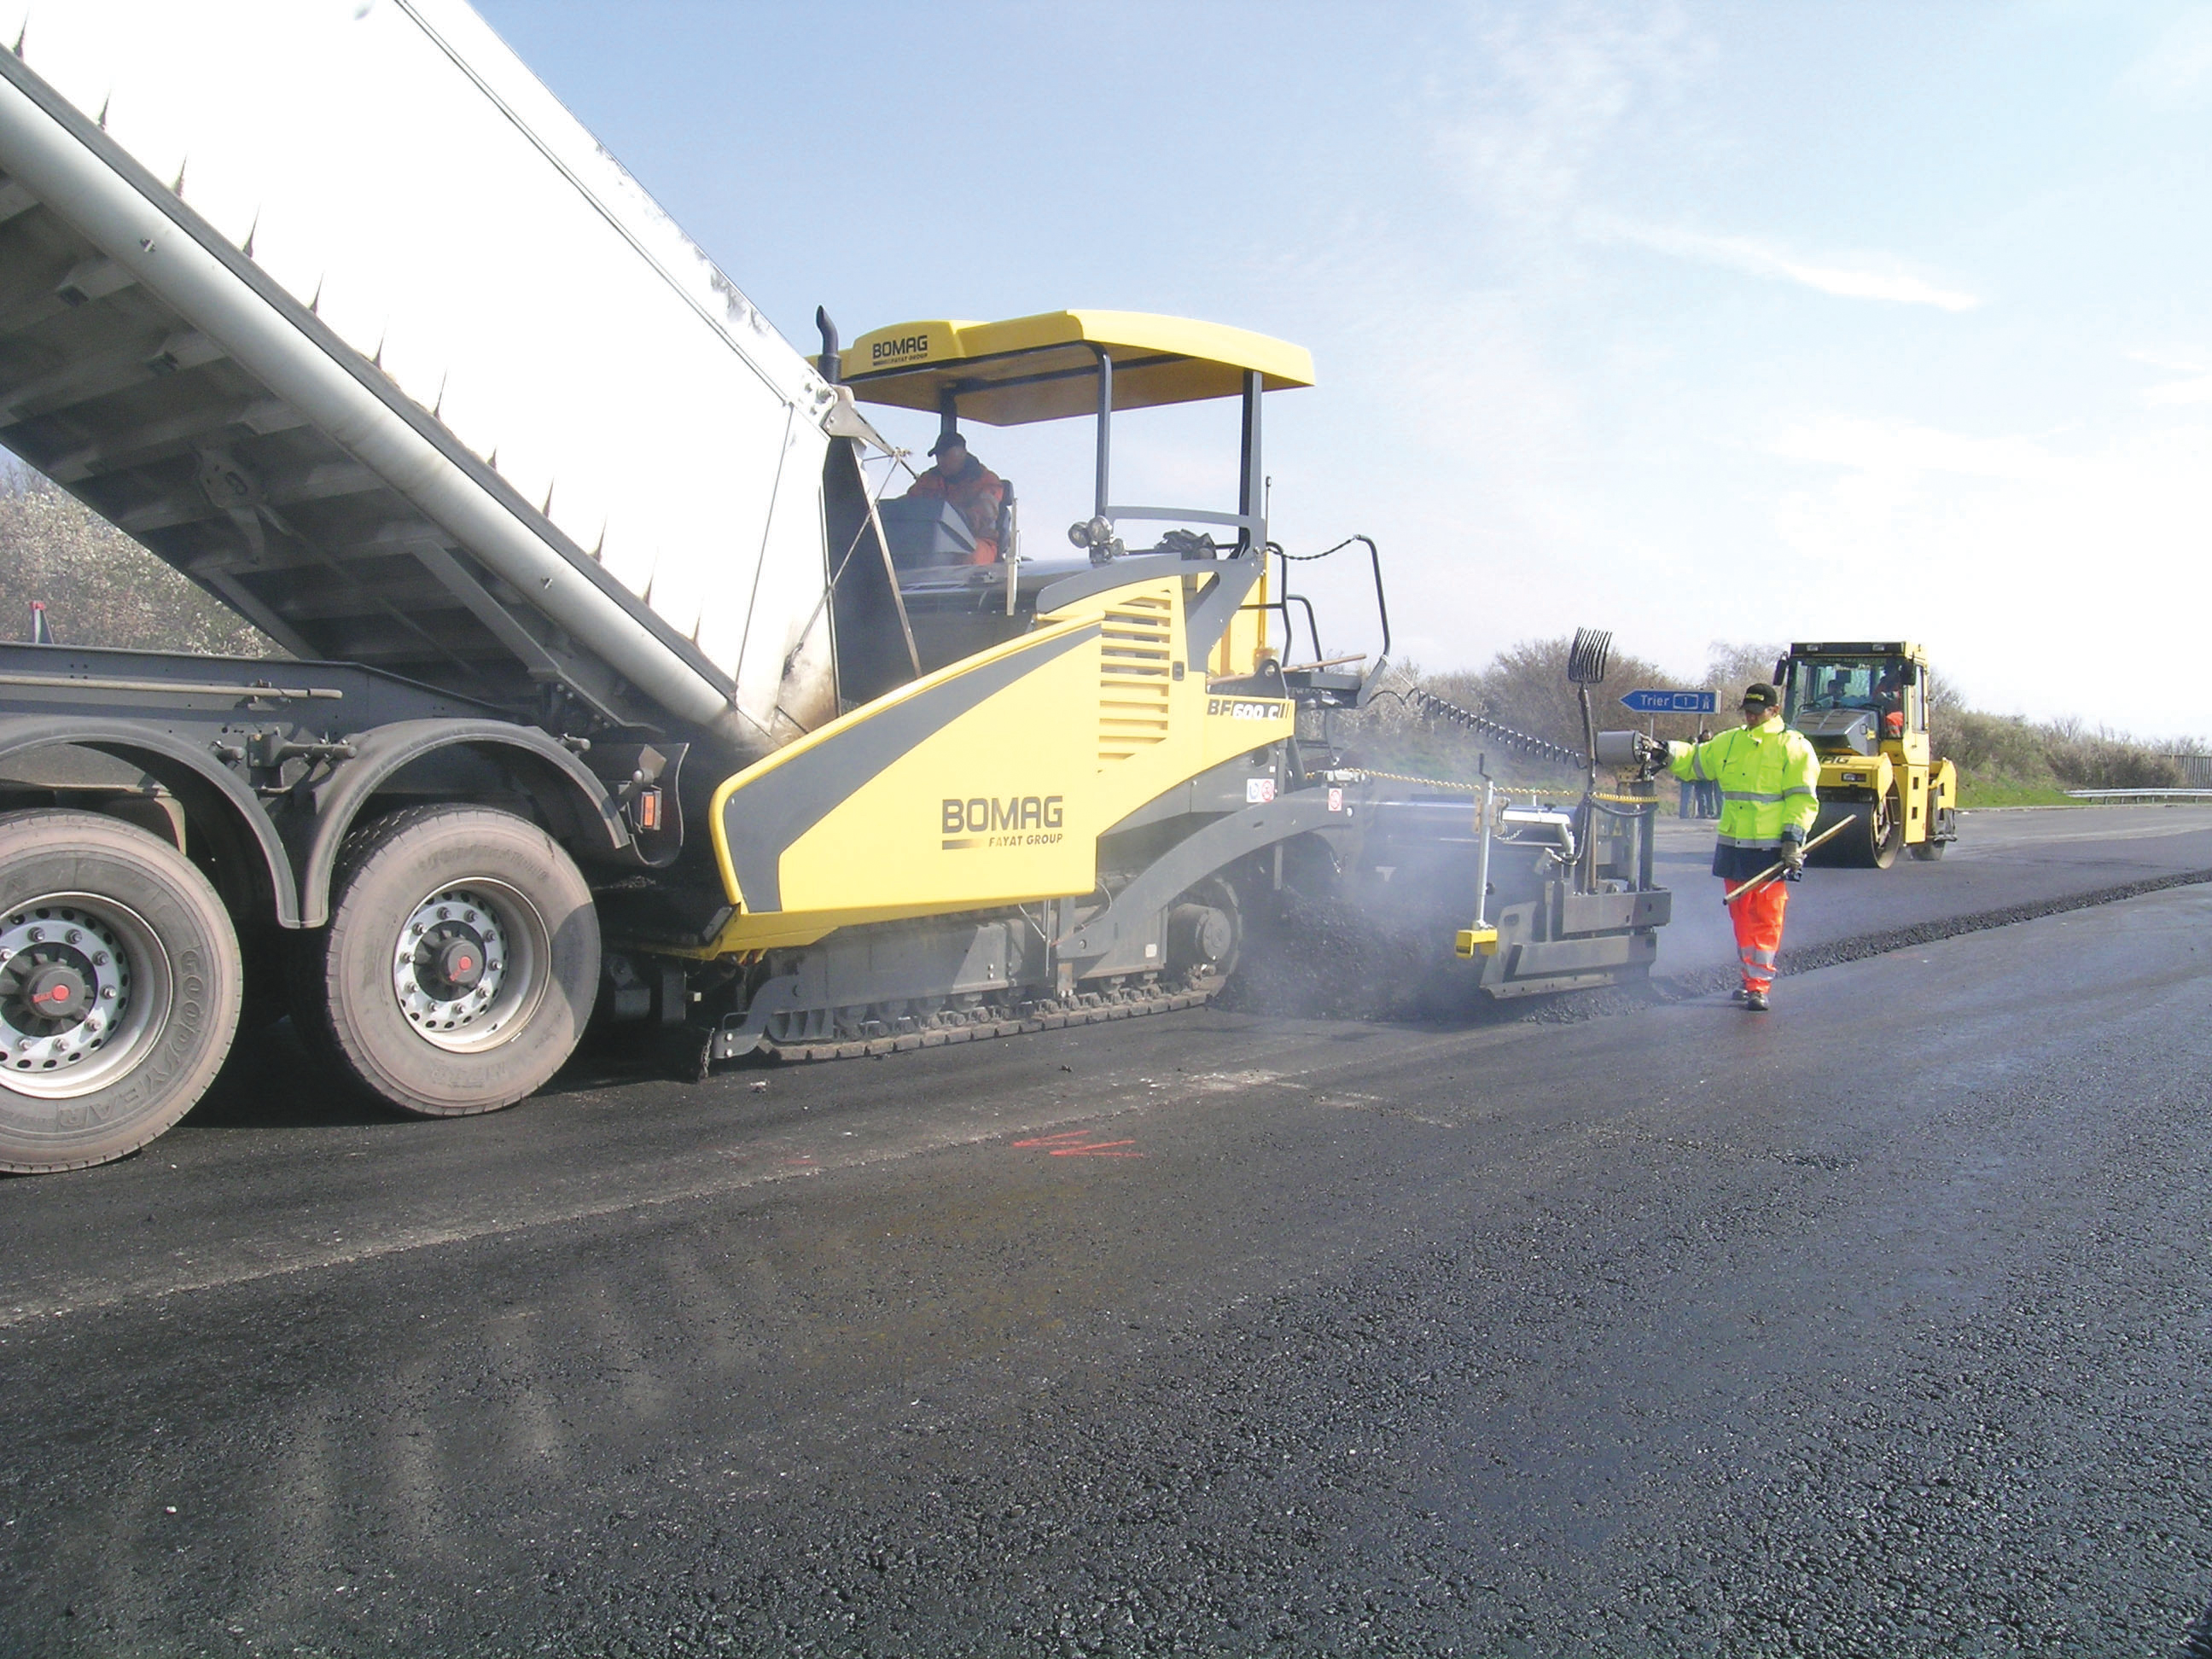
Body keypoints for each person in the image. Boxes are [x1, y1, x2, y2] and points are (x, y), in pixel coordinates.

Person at [1662, 684, 1820, 1012]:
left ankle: (1759, 986)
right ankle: (1749, 979)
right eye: (1747, 710)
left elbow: (1802, 799)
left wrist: (1793, 840)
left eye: (1756, 711)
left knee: (1766, 918)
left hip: (1770, 851)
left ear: (1774, 711)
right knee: (1741, 918)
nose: (1750, 716)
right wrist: (1667, 751)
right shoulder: (1731, 741)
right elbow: (1695, 762)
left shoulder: (1793, 747)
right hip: (1734, 847)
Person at [903, 432, 1004, 565]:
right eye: (938, 456)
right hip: (932, 542)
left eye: (946, 455)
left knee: (967, 558)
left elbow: (984, 515)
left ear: (962, 453)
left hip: (977, 540)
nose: (941, 460)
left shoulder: (985, 480)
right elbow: (907, 505)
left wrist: (954, 517)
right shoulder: (928, 480)